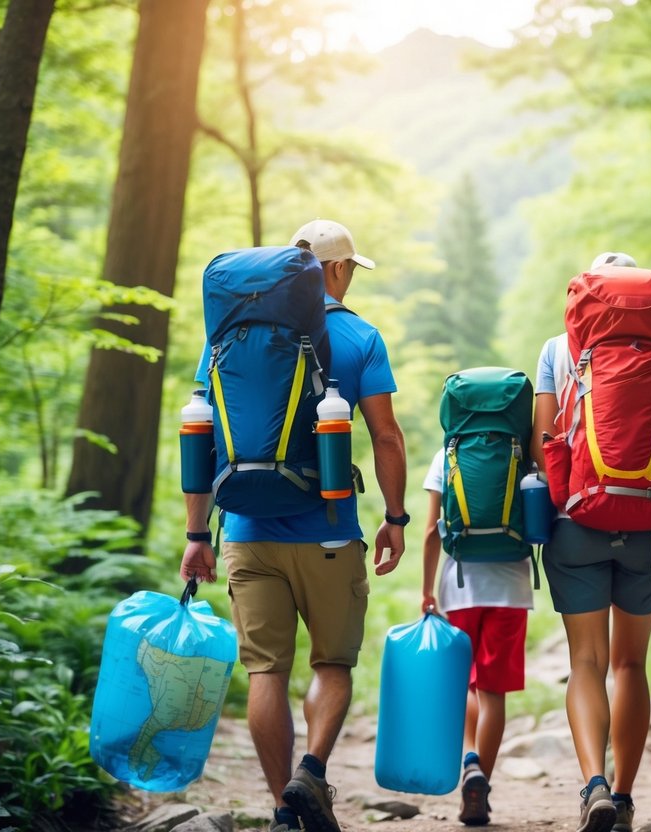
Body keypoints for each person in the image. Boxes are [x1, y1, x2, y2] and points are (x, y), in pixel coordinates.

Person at [181, 219, 409, 832]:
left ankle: (284, 807)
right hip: (330, 530)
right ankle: (311, 771)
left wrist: (197, 535)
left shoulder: (224, 337)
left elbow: (199, 437)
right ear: (336, 270)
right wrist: (395, 517)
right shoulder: (359, 337)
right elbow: (386, 435)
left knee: (266, 672)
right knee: (332, 667)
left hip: (247, 530)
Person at [531, 253, 651, 832]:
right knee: (631, 663)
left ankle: (594, 786)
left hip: (577, 520)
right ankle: (625, 799)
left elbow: (544, 437)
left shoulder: (559, 349)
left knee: (586, 661)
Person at [420, 446, 534, 827]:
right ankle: (482, 782)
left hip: (460, 585)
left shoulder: (446, 455)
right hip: (512, 587)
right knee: (492, 690)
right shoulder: (521, 454)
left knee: (464, 684)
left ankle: (469, 760)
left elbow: (431, 531)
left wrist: (427, 590)